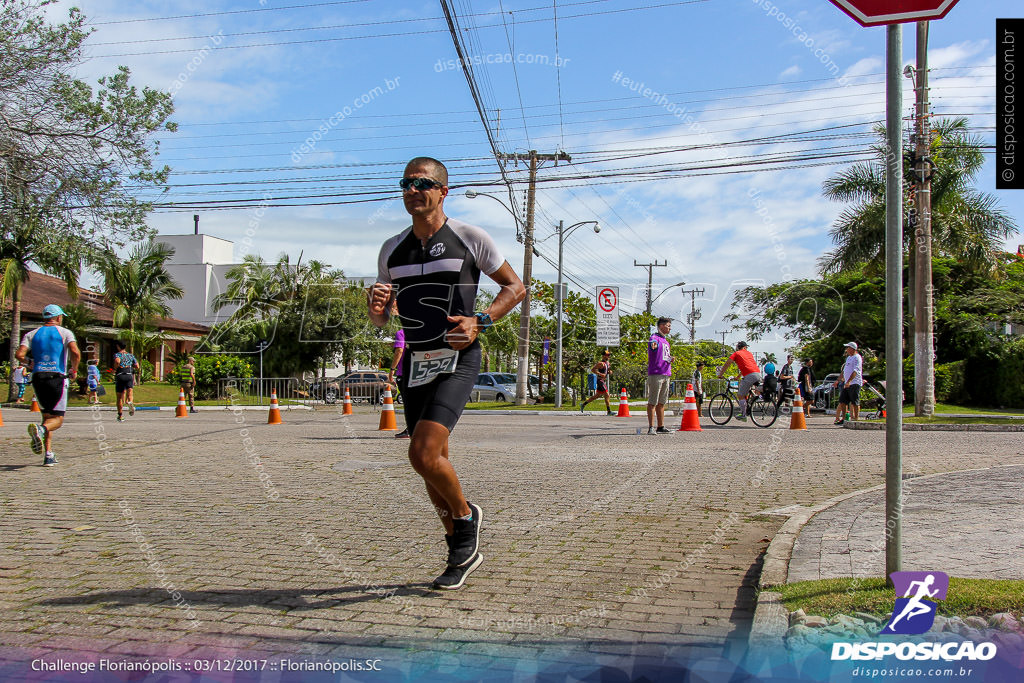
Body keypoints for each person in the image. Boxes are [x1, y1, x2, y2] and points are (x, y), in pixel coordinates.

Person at [368, 156, 526, 591]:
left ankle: (465, 517)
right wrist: (376, 308)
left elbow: (515, 287)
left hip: (458, 358)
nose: (413, 190)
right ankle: (458, 551)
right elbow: (383, 320)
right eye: (406, 183)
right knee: (432, 462)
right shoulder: (391, 249)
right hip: (417, 363)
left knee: (421, 453)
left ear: (442, 191)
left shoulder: (470, 237)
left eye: (423, 183)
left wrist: (482, 320)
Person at [15, 304, 81, 466]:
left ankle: (48, 454)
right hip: (57, 378)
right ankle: (41, 430)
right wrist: (74, 369)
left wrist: (30, 362)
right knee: (57, 419)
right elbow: (75, 352)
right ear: (58, 317)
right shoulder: (64, 332)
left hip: (37, 378)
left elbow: (19, 355)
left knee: (47, 417)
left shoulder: (32, 334)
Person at [717, 341, 762, 423]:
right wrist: (738, 376)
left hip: (749, 375)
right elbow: (747, 366)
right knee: (745, 387)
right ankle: (753, 399)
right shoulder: (749, 354)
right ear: (744, 347)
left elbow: (727, 364)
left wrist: (721, 374)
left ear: (738, 347)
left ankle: (743, 415)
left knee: (740, 395)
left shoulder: (736, 353)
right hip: (757, 374)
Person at [646, 317, 673, 434]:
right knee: (653, 401)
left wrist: (670, 359)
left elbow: (664, 356)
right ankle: (651, 427)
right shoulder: (654, 338)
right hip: (656, 374)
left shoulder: (666, 341)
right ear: (661, 326)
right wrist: (653, 345)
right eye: (668, 326)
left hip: (666, 373)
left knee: (662, 402)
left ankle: (660, 426)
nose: (669, 328)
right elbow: (653, 345)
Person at [834, 342, 863, 425]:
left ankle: (856, 418)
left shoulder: (857, 358)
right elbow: (844, 370)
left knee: (854, 401)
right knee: (843, 401)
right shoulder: (849, 358)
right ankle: (844, 418)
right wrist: (838, 380)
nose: (846, 349)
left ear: (852, 349)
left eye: (848, 348)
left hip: (854, 383)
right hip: (847, 383)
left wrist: (849, 381)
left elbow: (856, 371)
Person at [388, 326, 409, 438]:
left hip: (404, 372)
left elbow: (399, 351)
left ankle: (411, 428)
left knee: (409, 403)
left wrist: (392, 370)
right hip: (419, 371)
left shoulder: (401, 333)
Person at [580, 349, 613, 415]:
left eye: (609, 355)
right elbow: (593, 369)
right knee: (607, 395)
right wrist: (600, 374)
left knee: (596, 396)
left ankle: (583, 404)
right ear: (603, 356)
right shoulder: (601, 363)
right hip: (600, 380)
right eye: (607, 355)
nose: (608, 357)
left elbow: (607, 371)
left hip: (603, 380)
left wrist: (609, 372)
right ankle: (609, 411)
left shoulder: (607, 363)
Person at [113, 340, 140, 422]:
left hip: (120, 375)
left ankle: (120, 415)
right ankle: (130, 402)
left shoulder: (117, 354)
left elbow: (117, 361)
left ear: (118, 346)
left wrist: (115, 367)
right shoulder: (130, 355)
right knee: (130, 391)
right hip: (129, 375)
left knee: (119, 397)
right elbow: (137, 366)